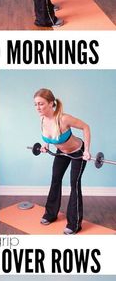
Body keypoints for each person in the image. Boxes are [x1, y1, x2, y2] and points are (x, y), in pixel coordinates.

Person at [33, 87, 91, 234]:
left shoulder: (64, 118)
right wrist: (45, 145)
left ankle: (74, 223)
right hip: (61, 152)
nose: (38, 107)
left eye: (41, 104)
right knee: (55, 179)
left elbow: (86, 127)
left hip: (77, 152)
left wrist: (87, 151)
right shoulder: (42, 119)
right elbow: (48, 135)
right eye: (36, 104)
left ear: (51, 103)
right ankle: (50, 214)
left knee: (74, 184)